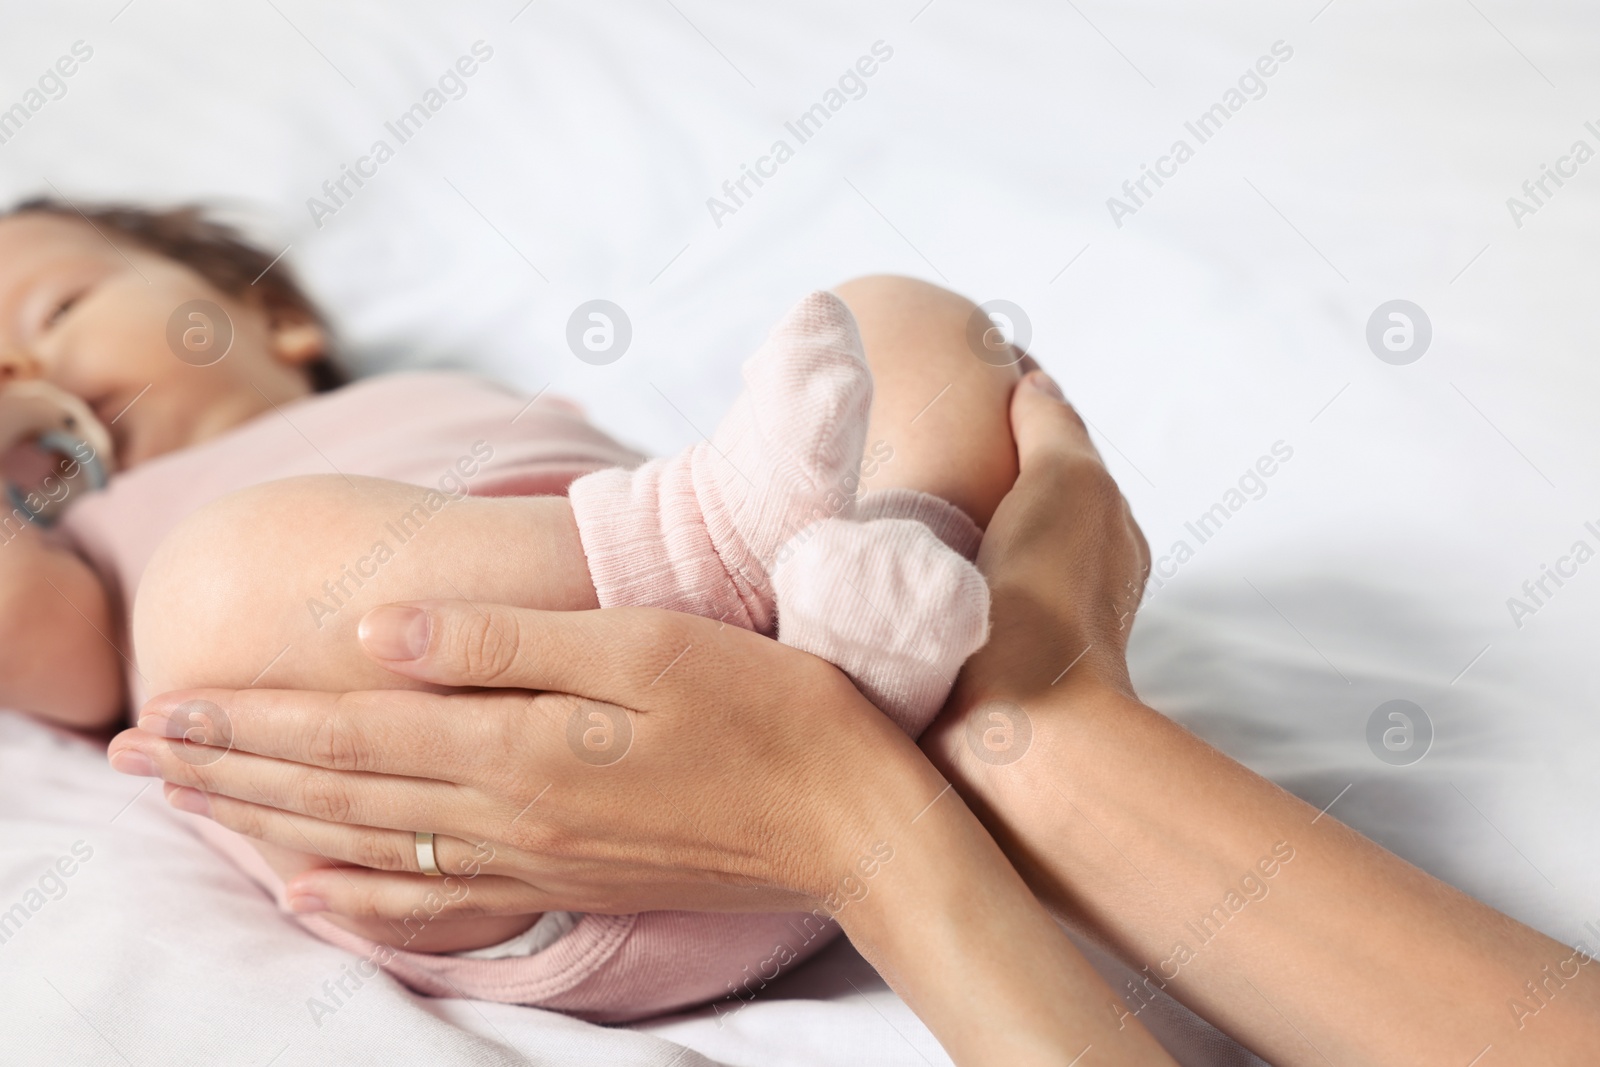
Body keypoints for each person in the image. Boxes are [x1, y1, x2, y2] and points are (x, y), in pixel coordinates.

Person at [113, 373, 1600, 1065]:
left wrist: (884, 790)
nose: (28, 375)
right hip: (535, 831)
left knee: (909, 323)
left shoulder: (423, 387)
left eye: (52, 305)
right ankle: (723, 532)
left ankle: (819, 571)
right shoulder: (98, 536)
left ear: (272, 313)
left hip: (808, 639)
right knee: (219, 588)